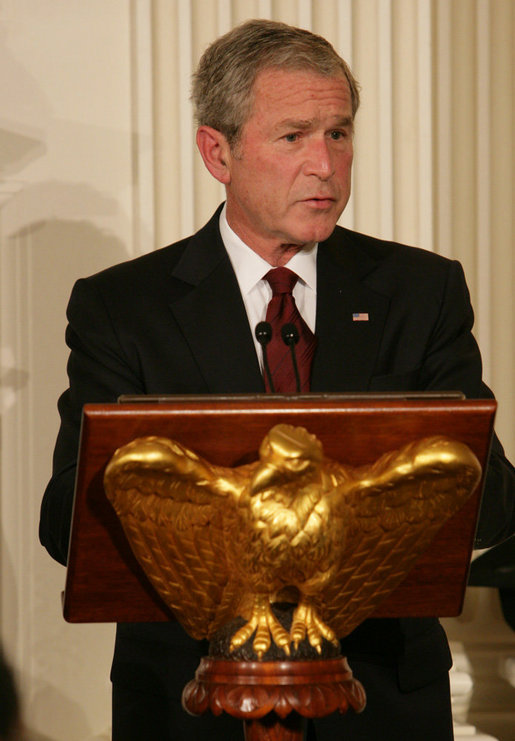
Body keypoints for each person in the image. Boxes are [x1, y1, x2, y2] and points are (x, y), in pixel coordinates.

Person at [39, 18, 515, 741]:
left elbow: (492, 504)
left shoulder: (420, 291)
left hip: (380, 699)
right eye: (292, 136)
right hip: (188, 700)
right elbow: (67, 523)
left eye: (339, 134)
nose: (324, 164)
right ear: (217, 151)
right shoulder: (122, 306)